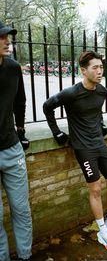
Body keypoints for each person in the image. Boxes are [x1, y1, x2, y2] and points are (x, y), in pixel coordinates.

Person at [43, 50, 107, 251]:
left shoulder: (102, 91)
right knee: (96, 188)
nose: (100, 71)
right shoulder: (71, 93)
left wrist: (101, 123)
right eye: (95, 67)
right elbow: (47, 106)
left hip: (99, 143)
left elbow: (96, 111)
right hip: (83, 147)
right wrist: (56, 132)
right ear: (83, 70)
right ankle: (101, 230)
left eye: (101, 67)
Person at [0, 21, 32, 261]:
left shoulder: (13, 68)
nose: (7, 40)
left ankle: (24, 256)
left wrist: (20, 131)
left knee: (22, 210)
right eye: (1, 37)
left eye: (7, 36)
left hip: (11, 150)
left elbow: (20, 101)